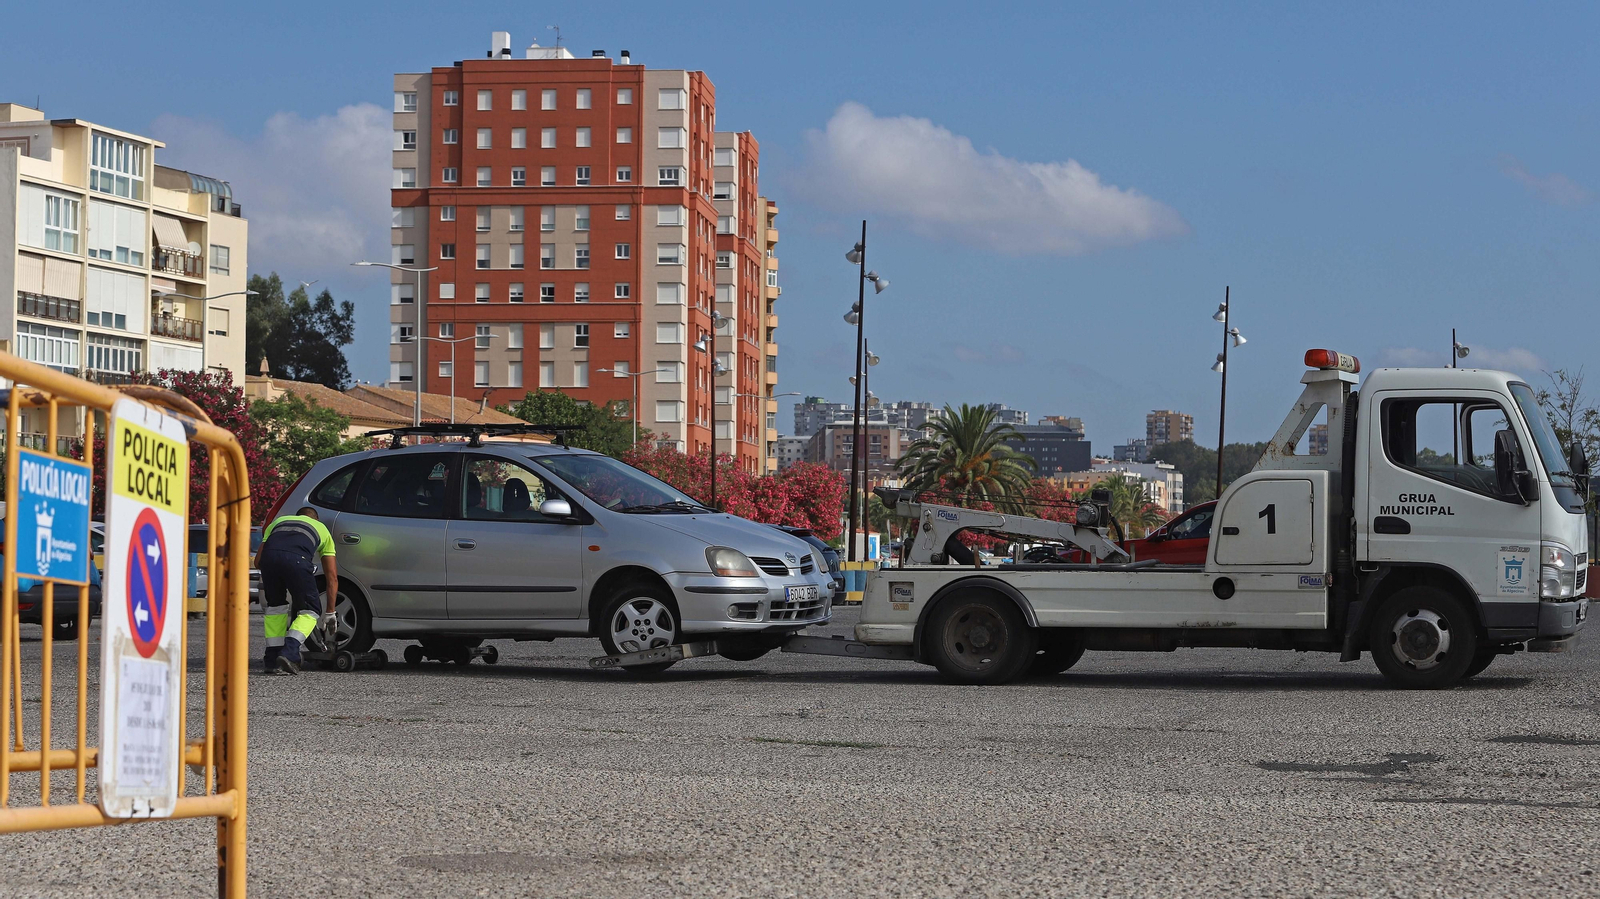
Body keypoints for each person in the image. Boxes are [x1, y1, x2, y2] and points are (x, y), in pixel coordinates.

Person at [255, 506, 338, 675]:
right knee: (311, 610)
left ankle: (271, 660)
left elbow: (257, 562)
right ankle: (289, 652)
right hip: (298, 560)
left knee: (275, 608)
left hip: (268, 560)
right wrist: (330, 612)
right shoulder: (322, 529)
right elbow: (332, 578)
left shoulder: (278, 522)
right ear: (316, 519)